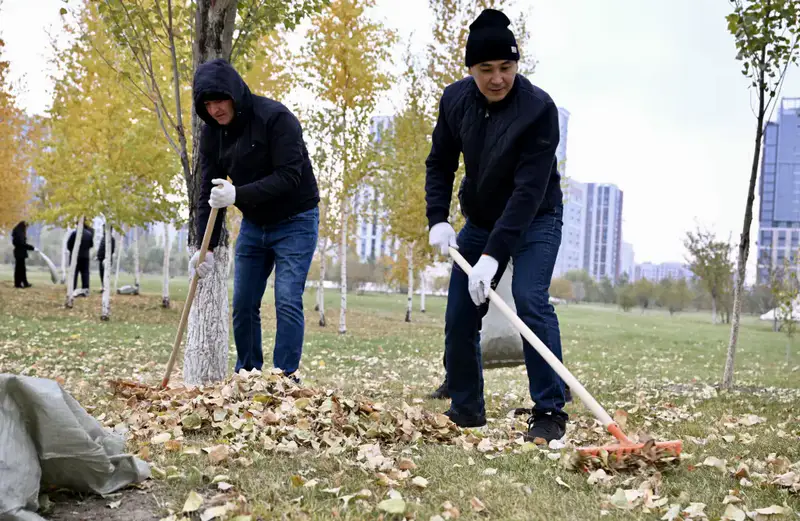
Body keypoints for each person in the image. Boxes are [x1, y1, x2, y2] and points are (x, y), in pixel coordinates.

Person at [425, 8, 568, 442]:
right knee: (459, 315)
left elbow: (527, 194)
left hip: (536, 219)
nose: (497, 78)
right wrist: (438, 220)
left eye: (506, 67)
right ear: (470, 69)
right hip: (481, 220)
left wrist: (492, 257)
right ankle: (466, 407)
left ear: (516, 65)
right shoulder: (455, 101)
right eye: (485, 69)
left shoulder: (539, 109)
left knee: (529, 300)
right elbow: (440, 163)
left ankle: (549, 411)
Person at [190, 59, 319, 382]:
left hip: (296, 219)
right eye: (207, 104)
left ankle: (285, 377)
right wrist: (205, 247)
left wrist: (237, 195)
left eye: (219, 100)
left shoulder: (275, 118)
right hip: (254, 225)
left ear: (234, 95)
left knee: (287, 297)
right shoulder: (212, 135)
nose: (215, 109)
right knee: (244, 302)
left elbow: (289, 176)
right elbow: (210, 189)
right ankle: (247, 372)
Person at [67, 224, 94, 293]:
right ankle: (85, 289)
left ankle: (72, 288)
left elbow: (69, 245)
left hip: (75, 256)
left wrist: (72, 251)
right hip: (85, 257)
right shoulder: (89, 234)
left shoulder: (74, 233)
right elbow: (91, 245)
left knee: (74, 273)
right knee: (85, 273)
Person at [11, 221, 36, 288]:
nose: (26, 229)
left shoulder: (17, 233)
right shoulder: (20, 234)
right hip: (20, 253)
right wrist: (32, 247)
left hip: (19, 252)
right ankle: (18, 284)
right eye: (26, 227)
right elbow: (22, 244)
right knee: (20, 269)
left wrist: (31, 247)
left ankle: (23, 283)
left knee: (21, 269)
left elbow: (21, 244)